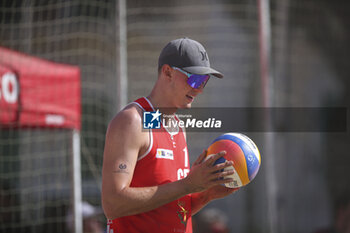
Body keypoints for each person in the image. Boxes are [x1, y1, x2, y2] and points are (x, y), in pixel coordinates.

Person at [102, 37, 238, 233]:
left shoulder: (177, 127)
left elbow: (173, 210)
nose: (199, 89)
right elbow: (113, 204)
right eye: (195, 78)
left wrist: (206, 194)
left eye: (204, 81)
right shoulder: (133, 121)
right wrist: (189, 184)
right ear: (168, 72)